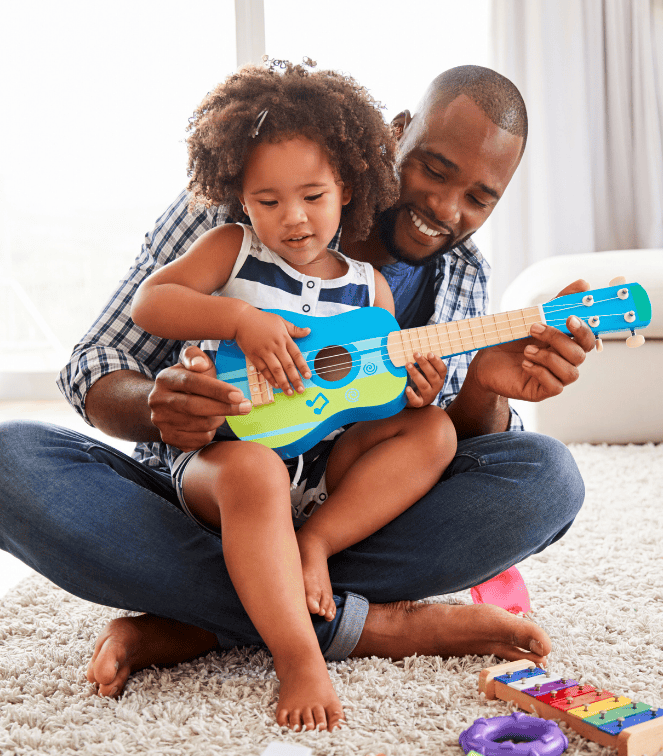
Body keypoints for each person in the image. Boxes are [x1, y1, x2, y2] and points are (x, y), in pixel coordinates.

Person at [0, 63, 595, 735]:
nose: (447, 209)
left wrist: (482, 388)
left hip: (339, 513)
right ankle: (368, 625)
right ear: (396, 134)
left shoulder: (456, 274)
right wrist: (158, 405)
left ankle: (205, 620)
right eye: (434, 171)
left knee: (545, 478)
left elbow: (450, 452)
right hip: (208, 490)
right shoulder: (238, 206)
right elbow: (96, 362)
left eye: (479, 197)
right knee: (4, 463)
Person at [129, 62, 458, 729]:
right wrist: (237, 321)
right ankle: (299, 654)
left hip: (320, 476)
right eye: (268, 200)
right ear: (240, 198)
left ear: (349, 186)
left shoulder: (370, 288)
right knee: (253, 472)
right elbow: (151, 303)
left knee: (436, 435)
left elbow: (370, 395)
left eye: (312, 195)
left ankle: (313, 548)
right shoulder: (233, 249)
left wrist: (416, 394)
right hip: (228, 465)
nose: (293, 218)